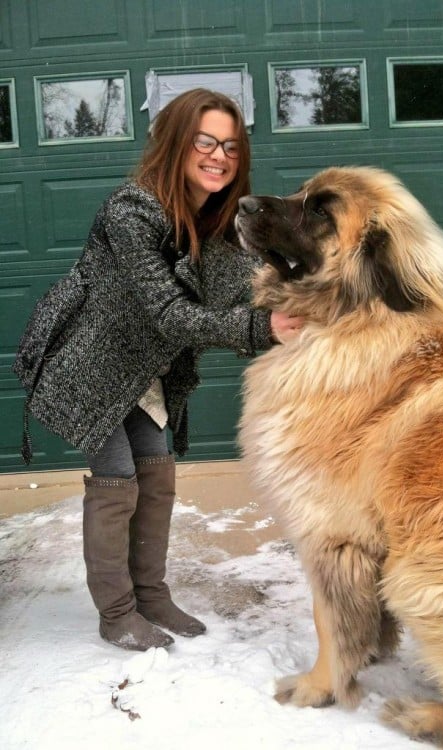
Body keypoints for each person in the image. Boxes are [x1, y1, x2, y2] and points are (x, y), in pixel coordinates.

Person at [13, 88, 303, 652]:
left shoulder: (211, 220)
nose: (219, 155)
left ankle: (151, 594)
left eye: (231, 146)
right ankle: (116, 613)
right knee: (118, 475)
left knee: (157, 470)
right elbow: (169, 314)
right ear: (176, 143)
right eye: (205, 141)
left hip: (143, 370)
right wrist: (261, 329)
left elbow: (250, 279)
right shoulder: (132, 211)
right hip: (91, 364)